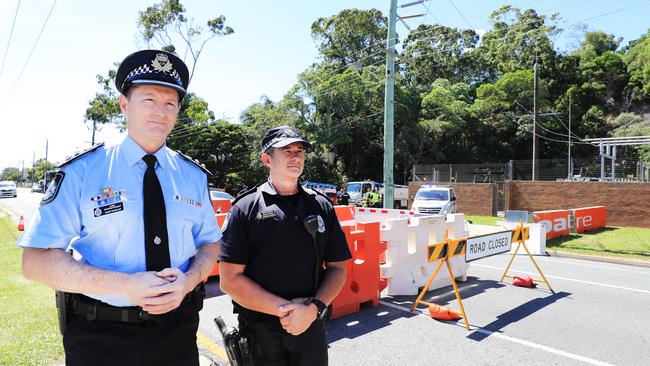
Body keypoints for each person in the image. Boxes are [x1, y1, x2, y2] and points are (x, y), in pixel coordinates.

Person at [18, 49, 221, 366]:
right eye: (149, 99)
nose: (160, 111)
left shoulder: (192, 176)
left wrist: (189, 280)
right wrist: (126, 286)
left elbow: (210, 243)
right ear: (124, 105)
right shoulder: (83, 172)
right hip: (101, 337)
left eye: (170, 103)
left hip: (178, 334)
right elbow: (36, 260)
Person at [219, 125, 352, 366]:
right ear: (266, 159)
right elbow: (230, 279)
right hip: (260, 331)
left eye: (299, 151)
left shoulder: (321, 206)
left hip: (310, 325)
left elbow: (338, 269)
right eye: (286, 150)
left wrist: (314, 309)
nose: (295, 156)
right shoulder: (245, 208)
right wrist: (286, 311)